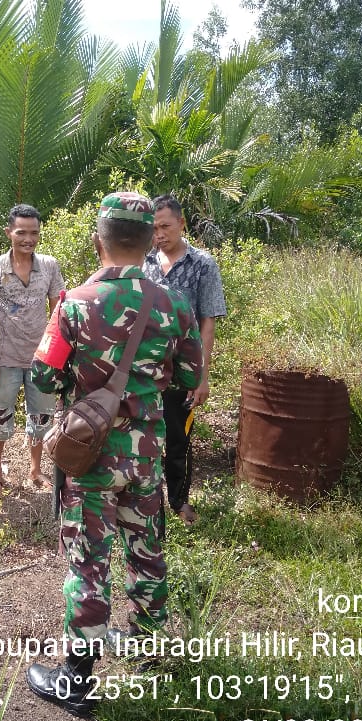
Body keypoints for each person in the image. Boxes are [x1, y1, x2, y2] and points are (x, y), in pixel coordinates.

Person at [25, 192, 203, 716]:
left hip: (91, 456)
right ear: (150, 242)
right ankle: (150, 648)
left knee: (89, 559)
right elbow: (189, 377)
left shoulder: (74, 304)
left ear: (98, 240)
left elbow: (41, 377)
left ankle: (77, 681)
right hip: (147, 454)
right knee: (146, 549)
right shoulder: (174, 305)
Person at [143, 194, 227, 526]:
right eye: (154, 229)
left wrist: (201, 376)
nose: (159, 234)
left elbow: (208, 323)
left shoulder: (202, 264)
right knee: (144, 437)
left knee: (179, 439)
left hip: (182, 371)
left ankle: (179, 501)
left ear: (181, 223)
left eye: (165, 227)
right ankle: (146, 502)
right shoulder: (143, 261)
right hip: (146, 370)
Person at [0, 204, 65, 495]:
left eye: (34, 233)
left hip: (41, 358)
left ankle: (35, 470)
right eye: (21, 232)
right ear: (9, 233)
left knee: (41, 416)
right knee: (0, 414)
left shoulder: (49, 266)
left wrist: (57, 356)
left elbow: (58, 312)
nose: (28, 239)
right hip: (5, 357)